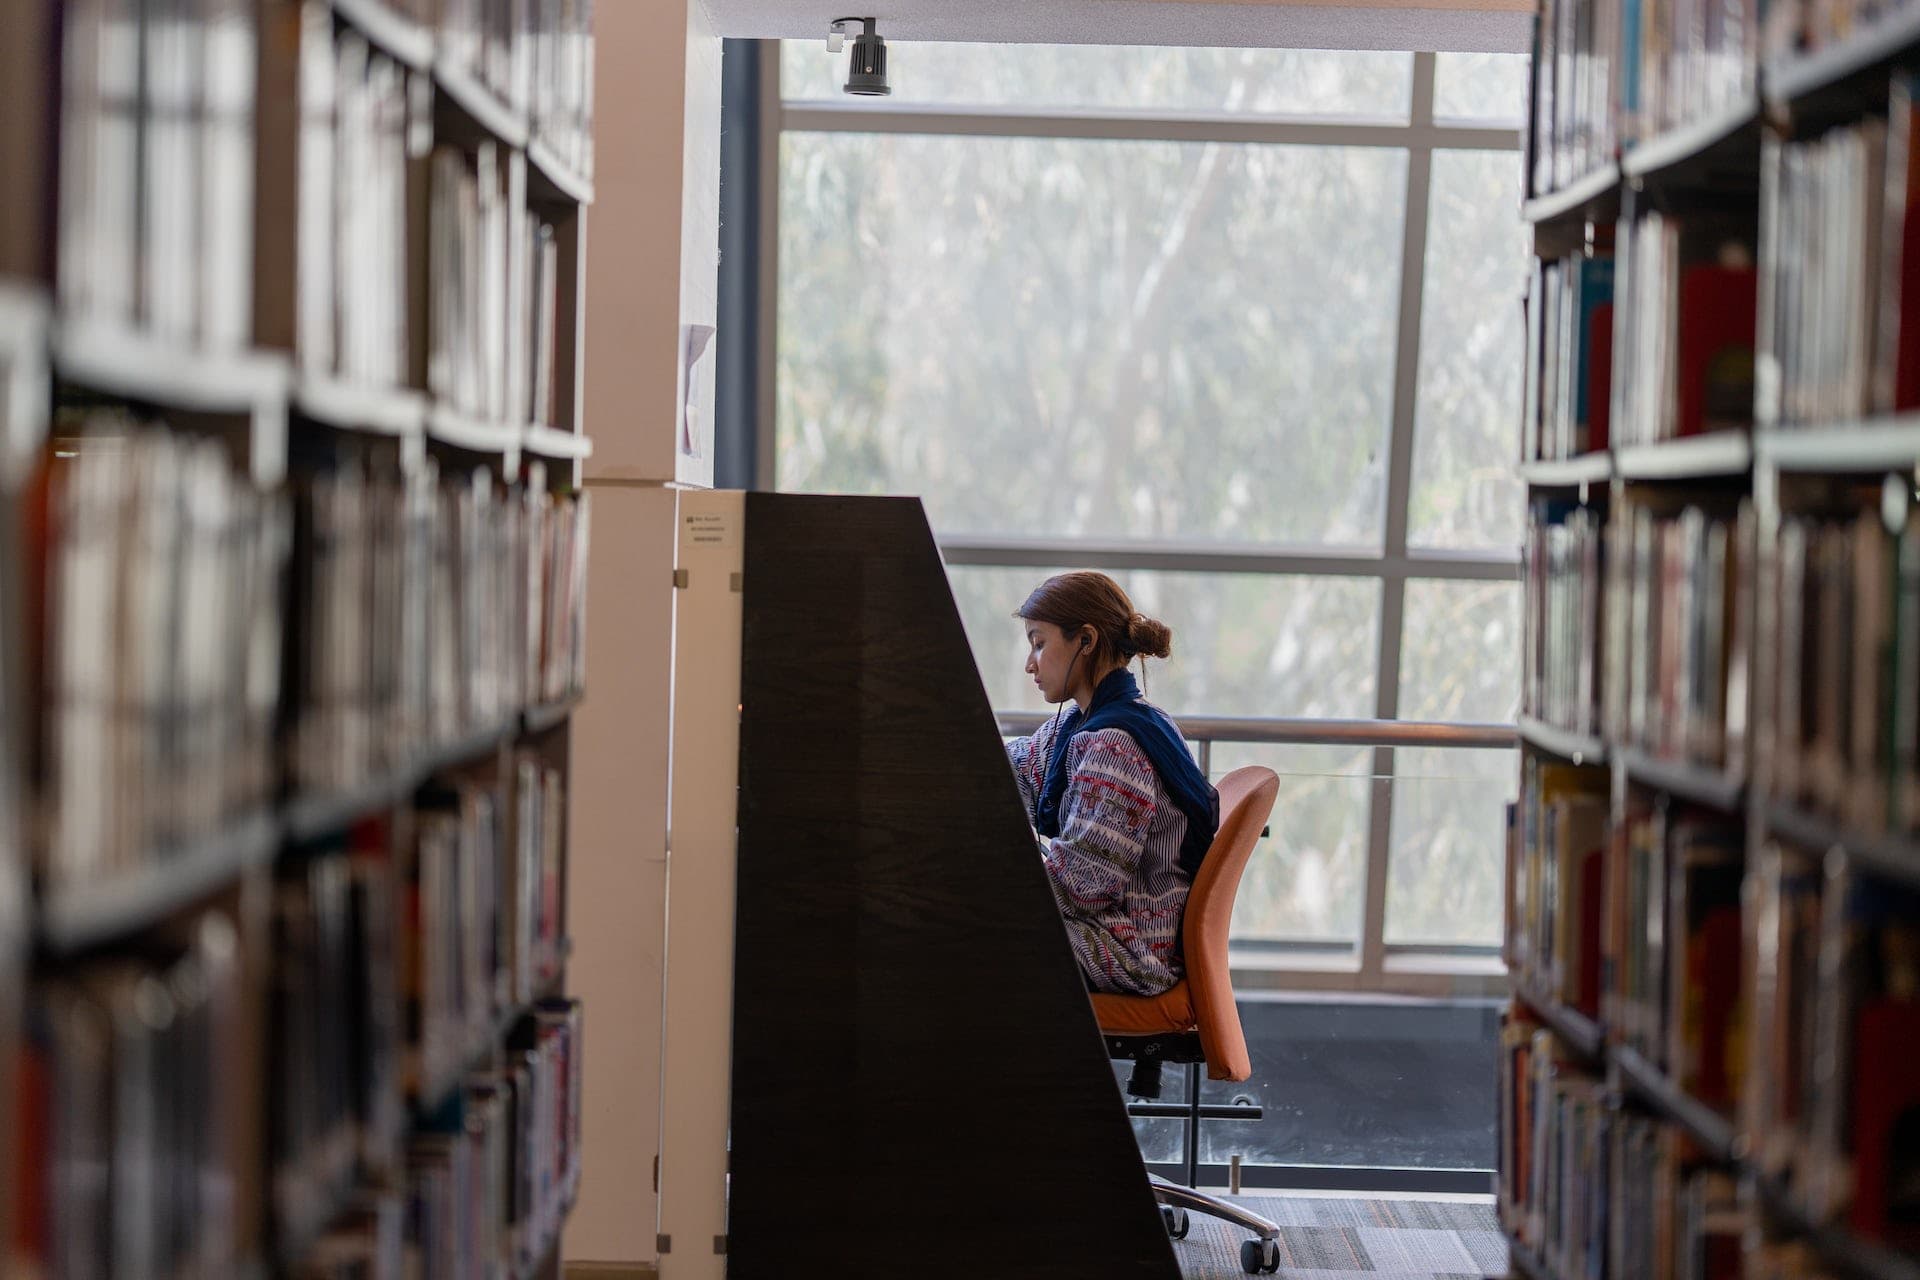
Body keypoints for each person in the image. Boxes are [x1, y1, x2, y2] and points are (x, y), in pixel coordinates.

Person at [1004, 571, 1219, 997]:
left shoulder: (1113, 746)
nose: (1030, 663)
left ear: (1085, 640)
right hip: (1115, 932)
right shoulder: (1094, 722)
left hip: (1132, 948)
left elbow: (1082, 886)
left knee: (960, 934)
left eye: (1039, 642)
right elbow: (1016, 769)